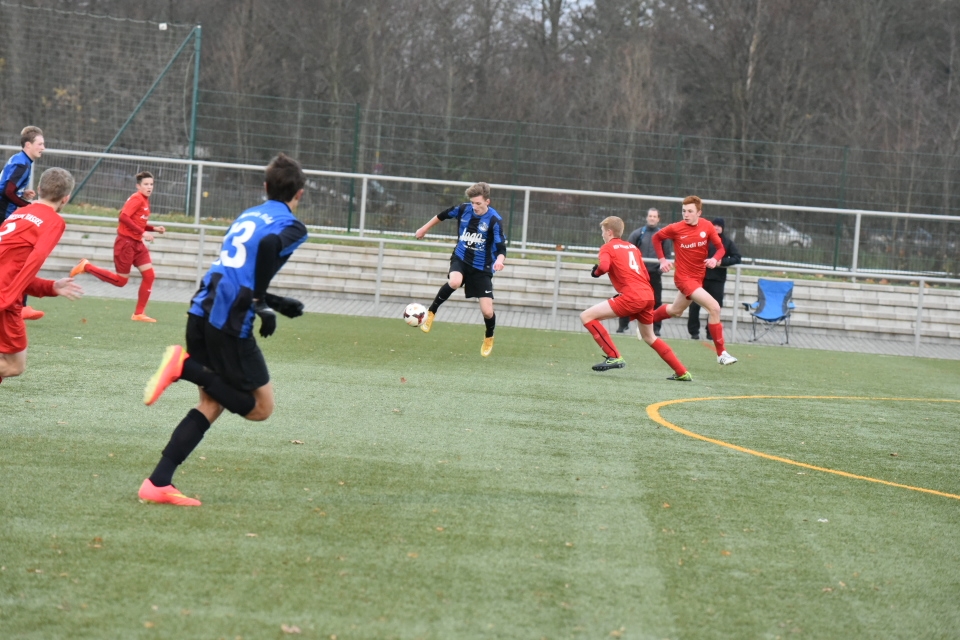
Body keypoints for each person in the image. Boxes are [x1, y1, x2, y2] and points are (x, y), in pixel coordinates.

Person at [137, 153, 309, 506]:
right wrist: (261, 301)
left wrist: (273, 301)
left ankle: (158, 482)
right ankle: (183, 366)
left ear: (265, 187)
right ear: (300, 194)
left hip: (202, 308)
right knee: (260, 408)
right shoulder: (293, 226)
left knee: (212, 402)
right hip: (229, 320)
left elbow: (237, 270)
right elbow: (268, 247)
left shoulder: (248, 215)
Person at [581, 216, 691, 380]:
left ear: (609, 232)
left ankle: (614, 356)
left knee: (586, 316)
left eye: (603, 231)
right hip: (647, 295)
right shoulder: (632, 247)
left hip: (632, 296)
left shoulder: (607, 247)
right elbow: (645, 274)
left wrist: (595, 273)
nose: (602, 234)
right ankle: (682, 372)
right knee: (649, 337)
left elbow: (603, 267)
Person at [0, 168, 84, 382]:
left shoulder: (19, 213)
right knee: (14, 365)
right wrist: (8, 297)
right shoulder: (54, 221)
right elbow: (34, 260)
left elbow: (12, 269)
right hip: (4, 299)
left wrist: (50, 287)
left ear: (38, 189)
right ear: (66, 198)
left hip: (5, 290)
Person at [414, 182, 506, 357]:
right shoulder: (463, 209)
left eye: (478, 203)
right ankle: (431, 311)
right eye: (472, 202)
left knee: (487, 312)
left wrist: (500, 261)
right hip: (461, 258)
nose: (474, 206)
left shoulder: (494, 220)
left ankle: (489, 336)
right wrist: (424, 229)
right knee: (455, 282)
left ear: (487, 201)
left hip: (482, 267)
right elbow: (442, 215)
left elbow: (501, 248)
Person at [651, 195, 738, 366]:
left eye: (690, 211)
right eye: (684, 211)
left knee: (676, 310)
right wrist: (662, 260)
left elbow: (721, 248)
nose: (686, 214)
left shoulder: (707, 226)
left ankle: (646, 320)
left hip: (698, 278)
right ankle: (721, 354)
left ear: (699, 213)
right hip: (683, 278)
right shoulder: (676, 228)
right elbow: (656, 238)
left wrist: (714, 259)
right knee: (714, 307)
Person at [69, 171, 166, 322]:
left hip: (137, 244)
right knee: (121, 281)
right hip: (126, 243)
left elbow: (137, 221)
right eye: (146, 184)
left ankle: (139, 314)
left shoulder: (145, 200)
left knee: (149, 275)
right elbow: (123, 217)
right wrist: (143, 232)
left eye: (151, 184)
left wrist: (153, 229)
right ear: (138, 186)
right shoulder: (137, 198)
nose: (149, 187)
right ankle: (86, 266)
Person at [1, 126, 47, 321]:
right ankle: (20, 306)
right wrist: (27, 206)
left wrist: (22, 193)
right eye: (40, 144)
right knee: (20, 259)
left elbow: (9, 188)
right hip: (4, 215)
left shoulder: (20, 160)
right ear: (28, 145)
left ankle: (20, 305)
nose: (43, 148)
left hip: (6, 215)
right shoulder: (22, 164)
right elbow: (6, 191)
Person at [618, 207, 670, 336]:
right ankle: (622, 325)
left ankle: (656, 328)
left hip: (654, 274)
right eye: (650, 216)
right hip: (637, 275)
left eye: (654, 216)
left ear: (658, 219)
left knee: (656, 301)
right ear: (647, 217)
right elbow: (626, 251)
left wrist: (659, 271)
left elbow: (667, 256)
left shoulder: (663, 236)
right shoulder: (638, 233)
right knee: (628, 298)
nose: (652, 218)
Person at [688, 217, 741, 340]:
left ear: (723, 228)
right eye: (714, 225)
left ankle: (711, 332)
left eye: (719, 226)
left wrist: (722, 262)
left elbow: (737, 257)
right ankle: (694, 332)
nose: (716, 228)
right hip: (700, 278)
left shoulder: (727, 242)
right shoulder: (703, 239)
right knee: (694, 306)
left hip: (717, 280)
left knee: (715, 307)